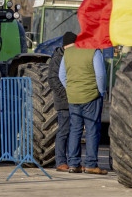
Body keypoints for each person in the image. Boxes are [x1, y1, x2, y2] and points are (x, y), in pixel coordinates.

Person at [59, 31, 108, 175]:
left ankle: (73, 164)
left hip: (73, 97)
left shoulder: (67, 53)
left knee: (75, 129)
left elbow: (61, 75)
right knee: (92, 129)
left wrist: (71, 89)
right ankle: (90, 165)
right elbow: (100, 75)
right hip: (91, 96)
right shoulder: (94, 51)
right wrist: (101, 91)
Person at [48, 35, 70, 172]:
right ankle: (60, 161)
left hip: (73, 99)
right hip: (63, 100)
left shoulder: (70, 56)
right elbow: (53, 80)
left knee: (74, 131)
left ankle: (73, 161)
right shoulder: (57, 58)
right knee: (64, 130)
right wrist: (67, 95)